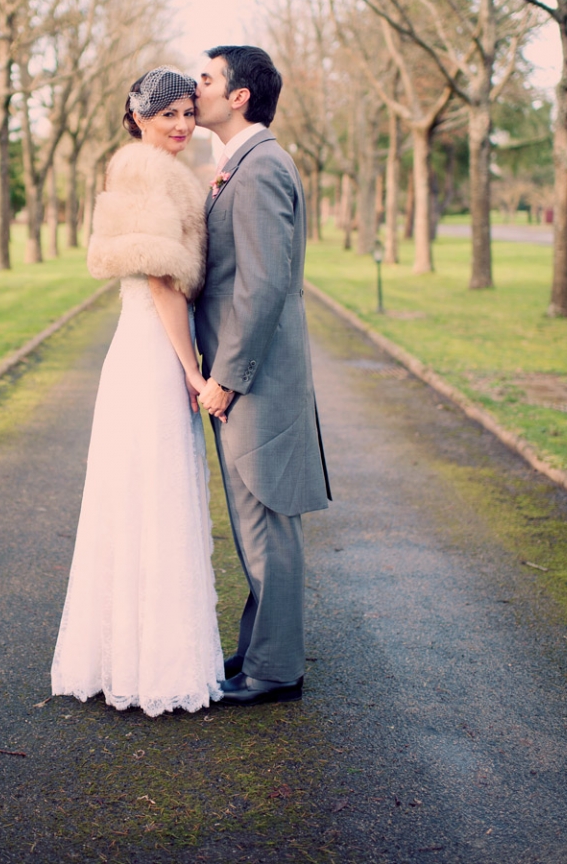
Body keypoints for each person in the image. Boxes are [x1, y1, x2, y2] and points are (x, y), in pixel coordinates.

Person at [51, 67, 224, 717]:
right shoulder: (148, 172)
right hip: (152, 351)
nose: (182, 124)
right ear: (139, 118)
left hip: (141, 351)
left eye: (187, 112)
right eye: (168, 115)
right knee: (153, 497)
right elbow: (162, 280)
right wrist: (192, 369)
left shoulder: (156, 170)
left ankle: (132, 656)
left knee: (139, 500)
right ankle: (150, 666)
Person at [194, 45, 331, 707]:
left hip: (256, 381)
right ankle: (258, 651)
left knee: (266, 522)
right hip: (246, 379)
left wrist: (228, 376)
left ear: (240, 94)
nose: (198, 89)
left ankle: (276, 672)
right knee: (255, 525)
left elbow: (265, 283)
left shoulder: (260, 166)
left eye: (208, 78)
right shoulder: (239, 164)